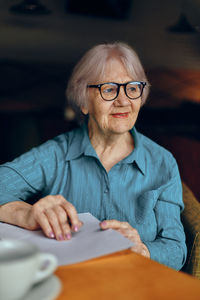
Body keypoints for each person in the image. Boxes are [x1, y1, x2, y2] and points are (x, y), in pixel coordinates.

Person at [0, 42, 186, 270]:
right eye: (109, 89)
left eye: (132, 88)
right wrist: (27, 214)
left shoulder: (162, 162)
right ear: (84, 102)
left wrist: (143, 250)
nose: (124, 100)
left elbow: (176, 248)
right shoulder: (56, 154)